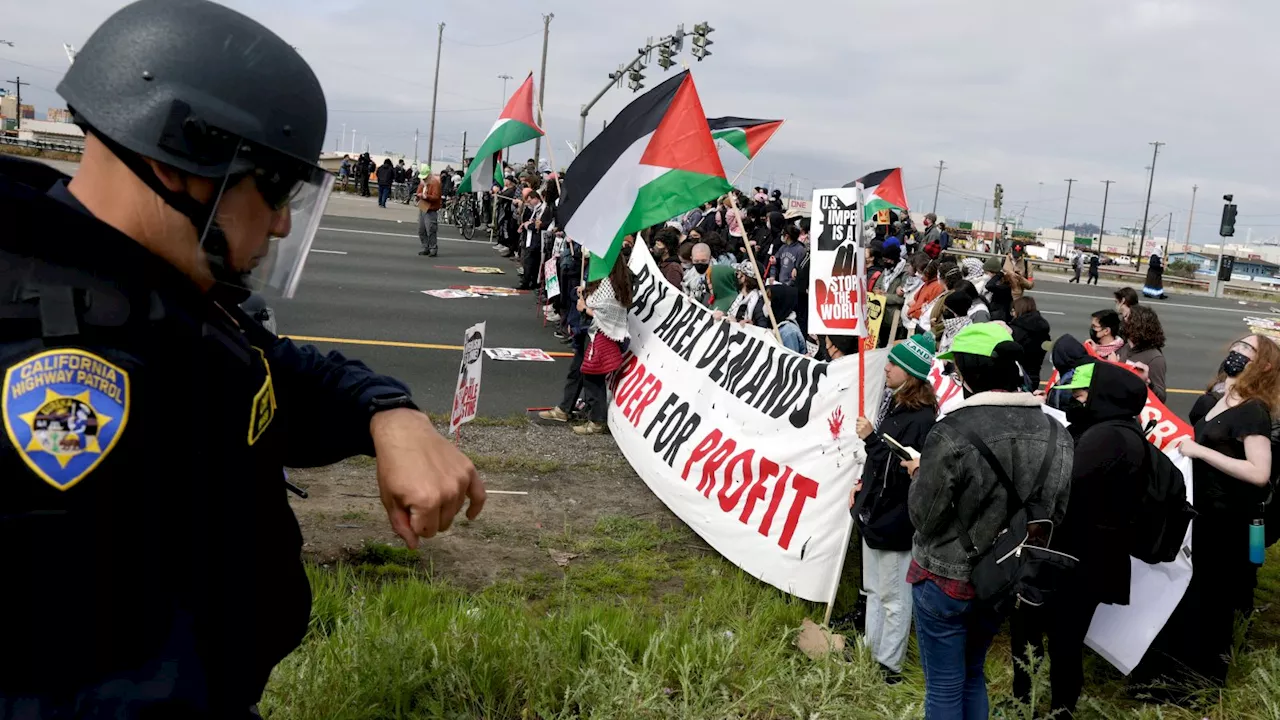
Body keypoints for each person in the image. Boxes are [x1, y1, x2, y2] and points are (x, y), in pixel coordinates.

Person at [0, 1, 484, 715]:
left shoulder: (149, 289)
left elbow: (270, 375)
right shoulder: (54, 357)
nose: (285, 220)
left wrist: (391, 415)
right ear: (180, 166)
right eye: (276, 187)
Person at [906, 323, 1073, 719]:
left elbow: (923, 519)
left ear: (967, 374)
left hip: (945, 577)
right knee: (972, 673)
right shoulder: (1057, 433)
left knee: (945, 686)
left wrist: (918, 475)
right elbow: (1055, 514)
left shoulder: (951, 432)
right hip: (1002, 579)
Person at [1013, 362, 1148, 717]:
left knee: (1051, 637)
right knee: (1058, 639)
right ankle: (1050, 707)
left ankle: (1041, 706)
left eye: (1085, 393)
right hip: (1083, 557)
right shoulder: (1115, 430)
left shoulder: (1108, 437)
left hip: (1074, 559)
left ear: (1107, 396)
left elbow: (1063, 484)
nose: (1076, 397)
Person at [1153, 334, 1279, 688]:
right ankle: (1173, 671)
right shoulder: (1220, 397)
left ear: (1265, 366)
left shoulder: (1253, 411)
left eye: (1248, 350)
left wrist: (1200, 452)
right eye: (1237, 346)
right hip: (1202, 514)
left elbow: (1259, 472)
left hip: (1227, 523)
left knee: (1212, 603)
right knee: (1190, 597)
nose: (1237, 352)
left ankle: (1199, 682)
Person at [853, 333, 937, 683]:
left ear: (911, 374)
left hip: (896, 519)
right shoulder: (898, 404)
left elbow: (901, 469)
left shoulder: (921, 419)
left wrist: (871, 438)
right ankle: (870, 652)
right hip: (876, 513)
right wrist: (861, 489)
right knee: (874, 590)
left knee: (894, 597)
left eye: (895, 364)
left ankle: (889, 665)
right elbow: (880, 466)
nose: (886, 368)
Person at [572, 255, 633, 435]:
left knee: (592, 376)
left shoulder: (606, 283)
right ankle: (594, 417)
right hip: (607, 334)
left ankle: (596, 420)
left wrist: (584, 307)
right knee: (593, 376)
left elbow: (601, 310)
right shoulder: (620, 281)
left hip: (600, 334)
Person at [1116, 304, 1167, 401]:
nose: (1123, 320)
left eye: (1127, 317)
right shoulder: (1126, 347)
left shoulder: (1155, 358)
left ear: (1137, 325)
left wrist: (1147, 382)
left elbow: (1161, 398)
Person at [1010, 296, 1051, 388]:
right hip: (1035, 373)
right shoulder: (1042, 329)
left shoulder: (1016, 330)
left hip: (1018, 374)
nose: (1012, 314)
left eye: (1013, 310)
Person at [516, 190, 546, 290]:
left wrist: (529, 225)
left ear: (536, 198)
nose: (529, 203)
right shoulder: (535, 209)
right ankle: (530, 281)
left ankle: (527, 282)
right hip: (530, 237)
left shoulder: (542, 209)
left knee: (530, 261)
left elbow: (538, 225)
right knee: (530, 261)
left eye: (530, 200)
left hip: (536, 239)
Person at [725, 262, 769, 328]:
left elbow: (762, 329)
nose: (736, 277)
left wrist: (750, 326)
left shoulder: (759, 303)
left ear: (744, 278)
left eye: (738, 274)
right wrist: (723, 315)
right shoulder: (739, 297)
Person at [767, 284, 806, 354]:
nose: (767, 305)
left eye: (771, 301)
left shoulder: (788, 332)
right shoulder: (779, 327)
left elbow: (791, 361)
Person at [415, 163, 442, 257]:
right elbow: (418, 191)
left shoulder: (435, 183)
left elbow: (436, 197)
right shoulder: (423, 183)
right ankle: (426, 247)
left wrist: (425, 196)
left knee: (431, 229)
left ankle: (433, 248)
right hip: (423, 206)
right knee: (421, 230)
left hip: (431, 208)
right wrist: (418, 196)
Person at [982, 256, 1014, 322]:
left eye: (987, 273)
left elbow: (989, 286)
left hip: (1000, 317)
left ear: (993, 273)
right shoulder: (997, 283)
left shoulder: (1004, 286)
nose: (985, 275)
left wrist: (998, 275)